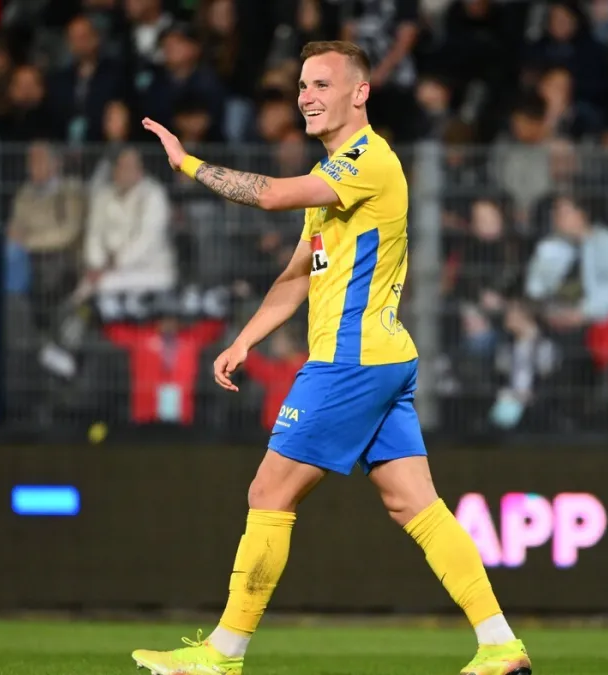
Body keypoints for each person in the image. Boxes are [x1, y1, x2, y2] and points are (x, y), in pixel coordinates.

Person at [131, 41, 531, 675]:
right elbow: (299, 274)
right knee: (414, 505)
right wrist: (244, 339)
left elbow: (268, 195)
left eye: (321, 84)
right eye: (302, 85)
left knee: (269, 491)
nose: (306, 97)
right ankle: (500, 644)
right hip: (383, 358)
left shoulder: (367, 162)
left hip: (351, 361)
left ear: (359, 92)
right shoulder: (334, 177)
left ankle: (223, 654)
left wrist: (187, 164)